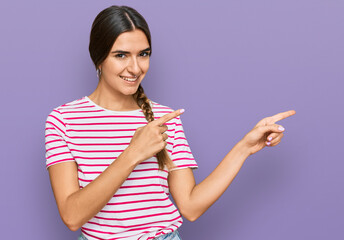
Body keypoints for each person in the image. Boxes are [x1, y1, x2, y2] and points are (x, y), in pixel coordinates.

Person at [44, 5, 296, 240]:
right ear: (98, 57)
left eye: (143, 54)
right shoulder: (64, 120)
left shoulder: (165, 119)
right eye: (121, 55)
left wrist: (244, 148)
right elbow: (72, 216)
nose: (134, 67)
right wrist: (133, 153)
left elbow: (190, 206)